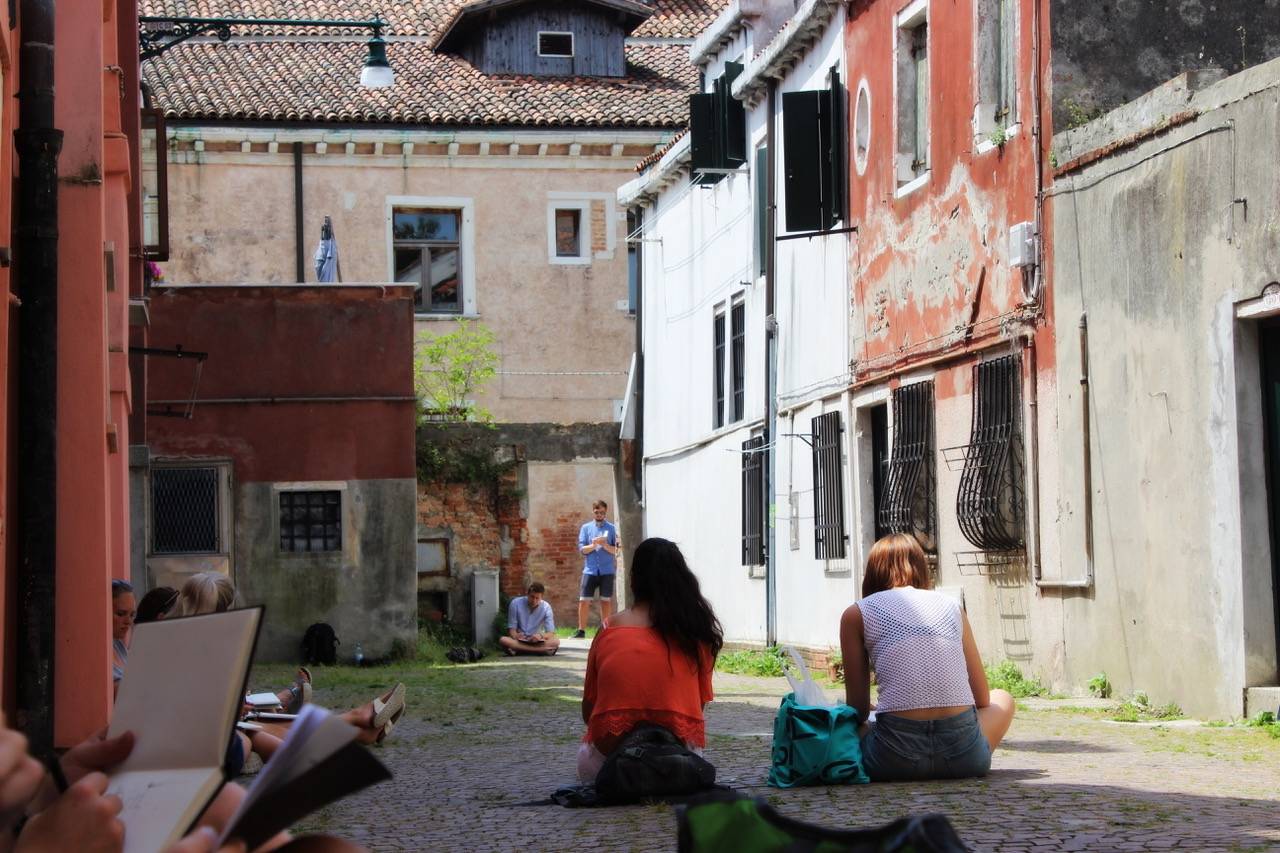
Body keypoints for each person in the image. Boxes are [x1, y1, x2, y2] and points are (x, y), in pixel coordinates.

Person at [839, 533, 1015, 782]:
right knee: (1003, 698)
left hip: (891, 761)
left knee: (846, 725)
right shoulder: (952, 606)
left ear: (872, 573)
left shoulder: (856, 613)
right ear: (922, 568)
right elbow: (982, 698)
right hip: (964, 759)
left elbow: (856, 709)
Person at [577, 537, 722, 782]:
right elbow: (696, 708)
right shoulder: (695, 632)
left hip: (612, 762)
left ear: (634, 579)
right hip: (675, 759)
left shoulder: (609, 629)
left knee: (586, 758)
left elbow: (589, 712)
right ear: (681, 579)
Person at [574, 499, 619, 639]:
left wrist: (605, 545)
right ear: (593, 511)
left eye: (602, 512)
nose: (599, 514)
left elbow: (617, 550)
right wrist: (593, 545)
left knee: (605, 601)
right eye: (597, 512)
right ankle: (581, 631)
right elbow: (582, 550)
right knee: (583, 600)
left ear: (606, 512)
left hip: (607, 570)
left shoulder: (612, 528)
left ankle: (605, 630)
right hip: (590, 570)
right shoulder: (586, 528)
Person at [499, 582, 560, 656]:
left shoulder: (546, 607)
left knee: (556, 641)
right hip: (520, 641)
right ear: (527, 594)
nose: (534, 600)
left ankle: (521, 650)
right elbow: (512, 630)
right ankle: (539, 651)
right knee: (503, 640)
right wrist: (516, 636)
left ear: (541, 597)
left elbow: (551, 633)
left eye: (537, 598)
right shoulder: (515, 603)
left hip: (537, 641)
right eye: (532, 597)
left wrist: (540, 636)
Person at [111, 580, 135, 692]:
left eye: (132, 615)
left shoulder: (119, 645)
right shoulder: (95, 651)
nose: (128, 621)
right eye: (121, 614)